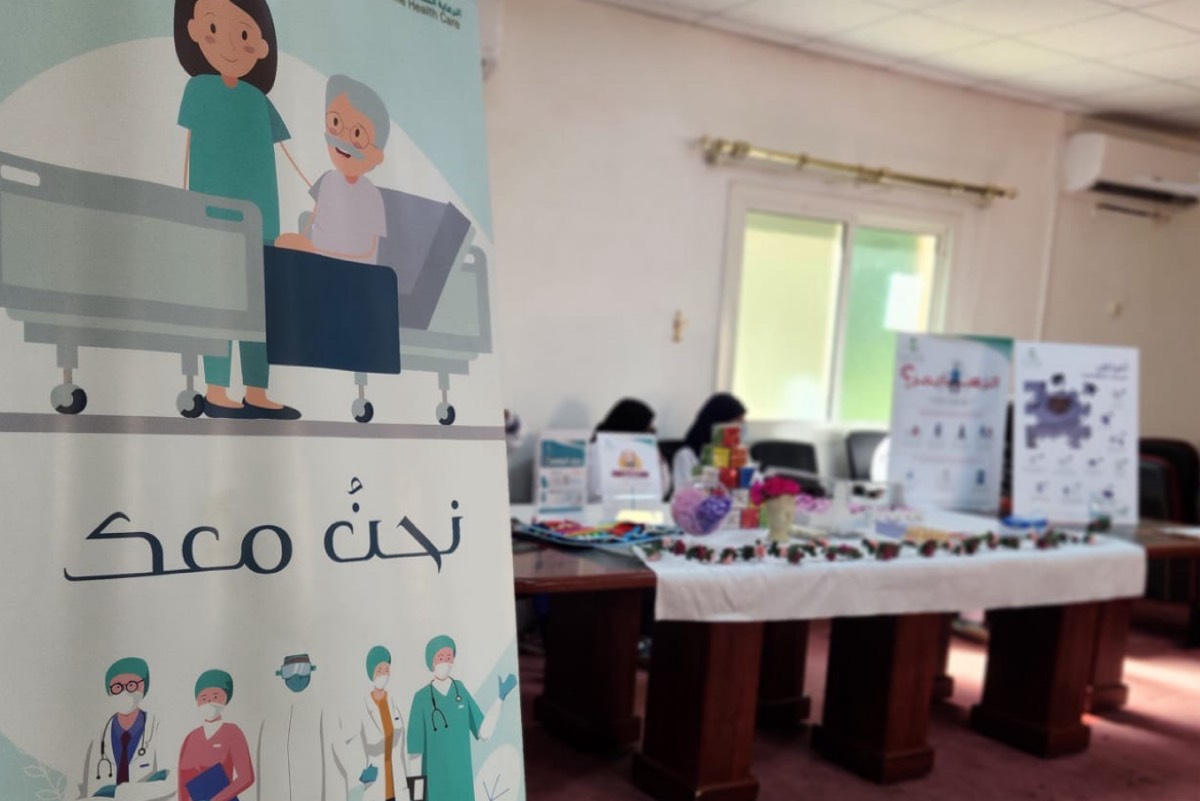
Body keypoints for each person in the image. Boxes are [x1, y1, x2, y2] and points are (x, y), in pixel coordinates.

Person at [175, 0, 303, 420]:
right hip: (213, 218)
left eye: (244, 34)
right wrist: (184, 206)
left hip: (263, 221)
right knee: (220, 305)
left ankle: (257, 391)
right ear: (195, 30)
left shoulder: (258, 101)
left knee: (259, 311)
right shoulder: (199, 89)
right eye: (215, 29)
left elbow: (287, 159)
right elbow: (188, 151)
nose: (231, 44)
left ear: (262, 46)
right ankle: (216, 390)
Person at [275, 75, 389, 264]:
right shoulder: (327, 180)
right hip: (317, 265)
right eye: (335, 123)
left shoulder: (371, 196)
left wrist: (317, 251)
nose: (342, 140)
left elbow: (369, 252)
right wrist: (300, 245)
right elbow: (309, 227)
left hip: (354, 271)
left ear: (376, 156)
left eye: (357, 135)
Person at [406, 636, 517, 801]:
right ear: (431, 661)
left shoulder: (460, 691)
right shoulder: (421, 698)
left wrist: (500, 699)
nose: (445, 662)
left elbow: (484, 733)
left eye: (449, 657)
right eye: (440, 657)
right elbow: (415, 754)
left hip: (461, 784)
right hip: (435, 786)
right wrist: (416, 798)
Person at [78, 657, 173, 801]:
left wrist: (119, 793)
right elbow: (89, 789)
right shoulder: (99, 737)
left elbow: (170, 781)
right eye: (117, 687)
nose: (124, 692)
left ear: (144, 686)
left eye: (131, 685)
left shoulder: (157, 727)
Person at [178, 670, 254, 801]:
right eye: (203, 698)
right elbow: (182, 783)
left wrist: (216, 799)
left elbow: (246, 777)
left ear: (226, 698)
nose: (209, 702)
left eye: (215, 696)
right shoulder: (191, 738)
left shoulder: (233, 732)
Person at [587, 398, 669, 502]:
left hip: (644, 509)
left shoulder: (647, 452)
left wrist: (658, 462)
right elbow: (594, 492)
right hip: (602, 509)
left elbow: (662, 491)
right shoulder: (596, 450)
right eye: (647, 427)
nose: (651, 431)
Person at [672, 393, 747, 494]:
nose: (741, 428)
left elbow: (752, 485)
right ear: (718, 423)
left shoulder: (738, 454)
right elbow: (684, 495)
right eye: (737, 422)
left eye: (742, 422)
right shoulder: (686, 455)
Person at [359, 646, 406, 801]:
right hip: (375, 781)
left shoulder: (392, 704)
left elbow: (400, 746)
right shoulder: (364, 707)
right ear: (371, 673)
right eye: (379, 670)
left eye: (387, 670)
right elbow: (359, 746)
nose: (384, 675)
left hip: (395, 781)